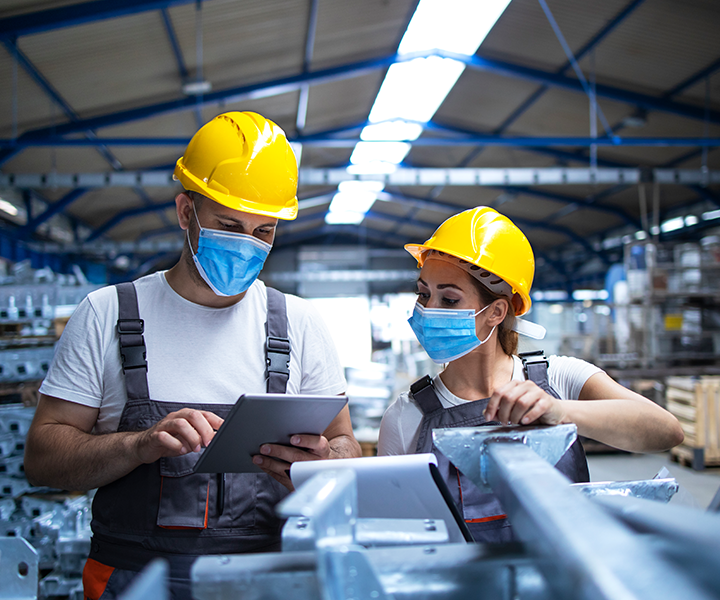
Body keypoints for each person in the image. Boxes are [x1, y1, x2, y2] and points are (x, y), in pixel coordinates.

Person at [23, 111, 361, 599]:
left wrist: (320, 462)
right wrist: (137, 446)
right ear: (186, 213)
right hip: (135, 580)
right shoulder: (108, 314)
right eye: (228, 225)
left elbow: (346, 446)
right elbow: (42, 459)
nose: (246, 245)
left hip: (268, 581)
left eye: (263, 231)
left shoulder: (299, 324)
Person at [377, 206, 684, 543]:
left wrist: (559, 412)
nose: (427, 310)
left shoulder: (560, 379)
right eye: (423, 294)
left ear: (495, 312)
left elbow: (666, 432)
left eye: (448, 299)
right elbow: (397, 536)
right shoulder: (407, 416)